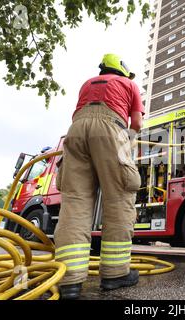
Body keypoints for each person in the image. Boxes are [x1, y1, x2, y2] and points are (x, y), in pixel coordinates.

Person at [54, 53, 144, 299]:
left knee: (75, 202)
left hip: (76, 132)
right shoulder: (129, 84)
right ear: (122, 70)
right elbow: (136, 122)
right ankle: (115, 274)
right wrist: (128, 141)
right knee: (119, 197)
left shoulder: (87, 83)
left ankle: (69, 281)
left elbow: (79, 115)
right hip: (111, 130)